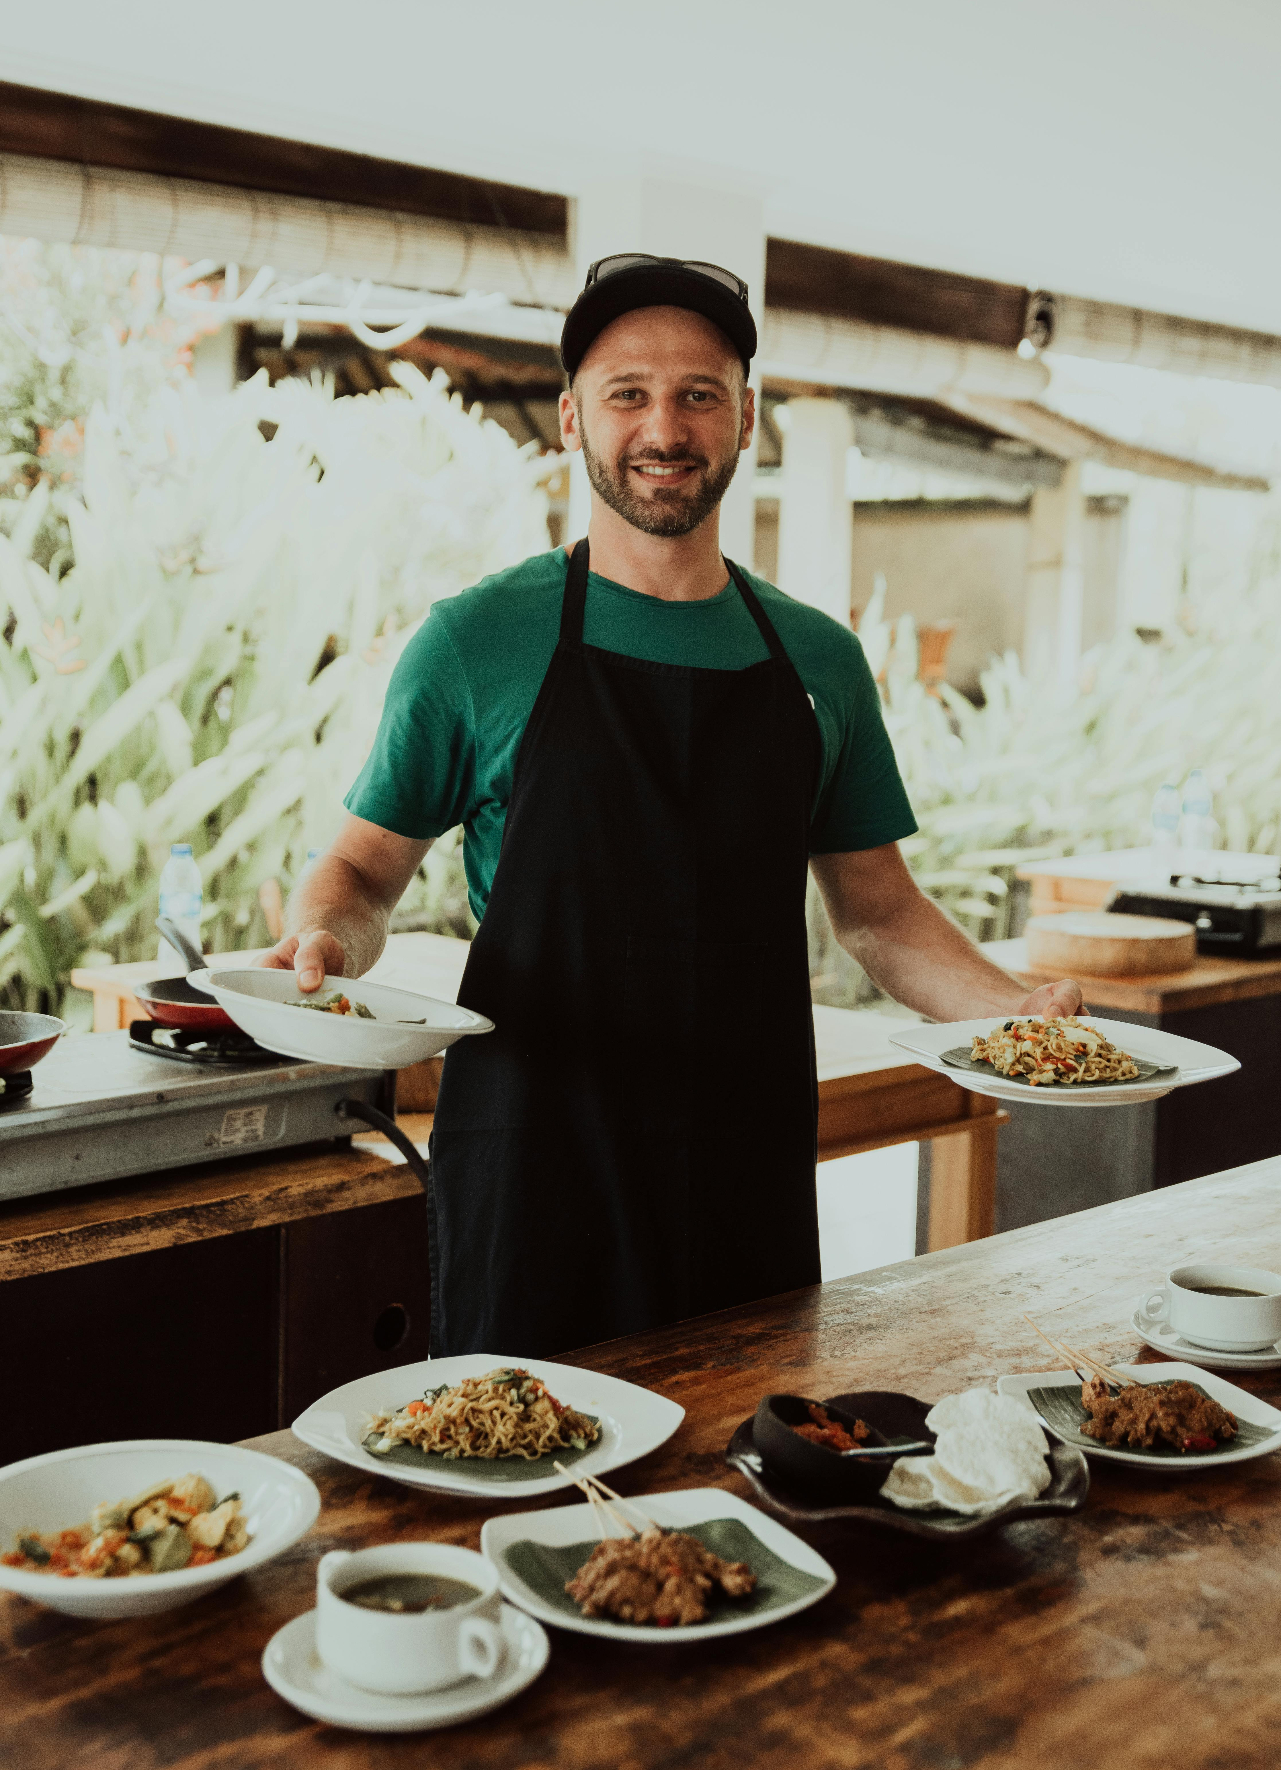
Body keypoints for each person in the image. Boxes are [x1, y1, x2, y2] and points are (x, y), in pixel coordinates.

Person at [261, 253, 1083, 1356]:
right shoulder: (475, 642)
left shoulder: (819, 662)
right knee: (534, 1487)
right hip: (535, 1169)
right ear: (570, 420)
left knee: (738, 1489)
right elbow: (364, 873)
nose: (665, 426)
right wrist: (321, 940)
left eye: (700, 394)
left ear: (747, 419)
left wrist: (1016, 1011)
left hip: (744, 1166)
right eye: (627, 394)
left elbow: (880, 913)